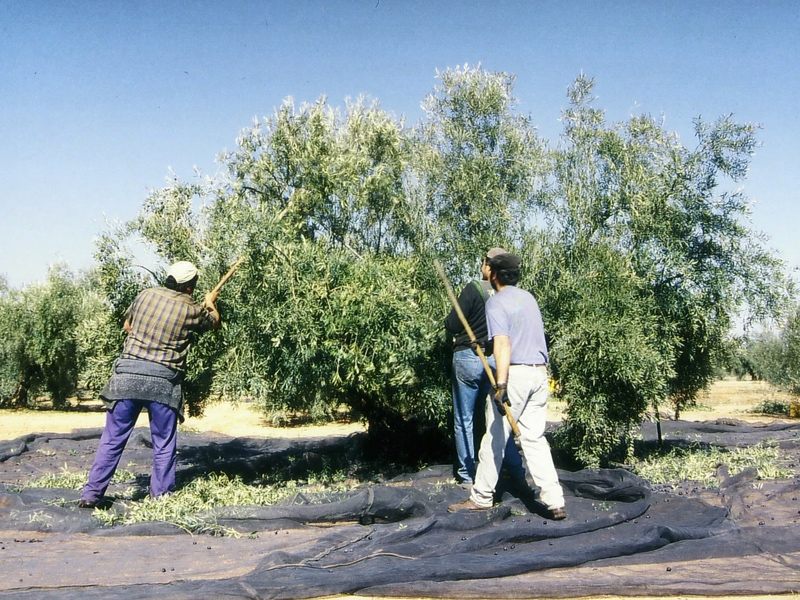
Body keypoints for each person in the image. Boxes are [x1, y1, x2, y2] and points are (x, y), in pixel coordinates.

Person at [79, 261, 220, 508]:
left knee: (112, 439)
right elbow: (214, 323)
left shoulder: (145, 295)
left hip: (126, 378)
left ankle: (91, 495)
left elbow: (127, 326)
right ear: (190, 287)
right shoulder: (192, 309)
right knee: (163, 443)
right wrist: (210, 303)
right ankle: (161, 499)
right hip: (162, 384)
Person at [448, 252, 566, 520]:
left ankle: (481, 497)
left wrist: (501, 384)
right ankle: (555, 500)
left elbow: (503, 343)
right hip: (539, 374)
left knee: (494, 437)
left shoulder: (497, 302)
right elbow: (522, 336)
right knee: (534, 438)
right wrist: (485, 345)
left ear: (494, 274)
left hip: (515, 376)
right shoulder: (528, 298)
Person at [445, 248, 524, 486]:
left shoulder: (474, 288)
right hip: (496, 360)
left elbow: (452, 324)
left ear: (489, 266)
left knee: (464, 418)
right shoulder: (511, 295)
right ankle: (515, 471)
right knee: (500, 415)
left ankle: (467, 476)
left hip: (468, 357)